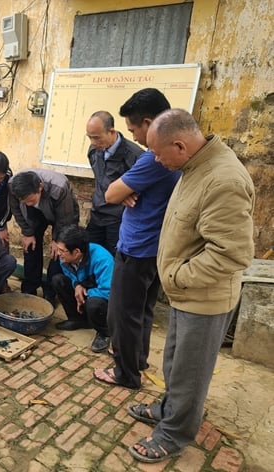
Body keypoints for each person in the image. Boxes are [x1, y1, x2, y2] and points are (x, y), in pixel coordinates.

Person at [125, 109, 255, 463]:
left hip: (204, 297)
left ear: (180, 145)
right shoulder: (194, 166)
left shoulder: (223, 179)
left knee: (191, 372)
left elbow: (232, 254)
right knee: (174, 363)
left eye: (157, 152)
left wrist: (179, 276)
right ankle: (169, 408)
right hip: (187, 294)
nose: (154, 159)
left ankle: (174, 434)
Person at [93, 88, 179, 389]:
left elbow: (111, 193)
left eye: (135, 130)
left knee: (121, 315)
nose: (137, 138)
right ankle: (138, 361)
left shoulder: (154, 158)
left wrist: (124, 189)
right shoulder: (177, 155)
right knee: (142, 310)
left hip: (137, 247)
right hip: (158, 247)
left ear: (148, 122)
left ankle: (125, 374)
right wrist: (127, 190)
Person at [9, 169, 79, 303]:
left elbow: (66, 219)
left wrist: (58, 240)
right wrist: (27, 232)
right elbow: (16, 209)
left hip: (62, 214)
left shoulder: (59, 187)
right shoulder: (13, 186)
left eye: (30, 200)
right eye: (24, 201)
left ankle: (50, 293)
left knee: (57, 253)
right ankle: (29, 289)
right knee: (30, 247)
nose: (28, 203)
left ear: (40, 187)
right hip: (34, 215)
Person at [85, 110, 143, 255]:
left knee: (113, 258)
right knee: (89, 255)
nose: (93, 142)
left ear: (111, 131)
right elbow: (100, 179)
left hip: (118, 219)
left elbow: (142, 190)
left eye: (97, 138)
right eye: (89, 137)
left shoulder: (135, 156)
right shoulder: (94, 151)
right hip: (97, 214)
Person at [51, 225, 114, 353]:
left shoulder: (103, 259)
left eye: (62, 250)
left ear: (77, 252)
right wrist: (77, 285)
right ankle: (77, 320)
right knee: (58, 280)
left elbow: (108, 291)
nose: (59, 253)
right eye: (58, 249)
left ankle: (104, 332)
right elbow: (70, 275)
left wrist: (86, 292)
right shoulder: (65, 258)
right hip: (84, 288)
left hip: (101, 297)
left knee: (94, 304)